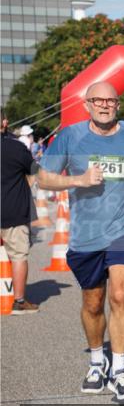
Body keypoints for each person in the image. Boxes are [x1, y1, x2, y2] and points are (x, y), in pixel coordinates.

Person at [37, 81, 124, 402]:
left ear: (118, 105)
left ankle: (120, 370)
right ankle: (97, 361)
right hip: (87, 232)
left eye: (111, 101)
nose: (105, 105)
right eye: (98, 100)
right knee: (93, 303)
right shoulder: (70, 136)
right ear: (87, 104)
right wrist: (78, 179)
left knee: (121, 294)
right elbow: (45, 177)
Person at [1, 117, 40, 314]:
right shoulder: (16, 148)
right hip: (13, 210)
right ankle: (19, 300)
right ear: (5, 123)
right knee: (18, 256)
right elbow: (35, 171)